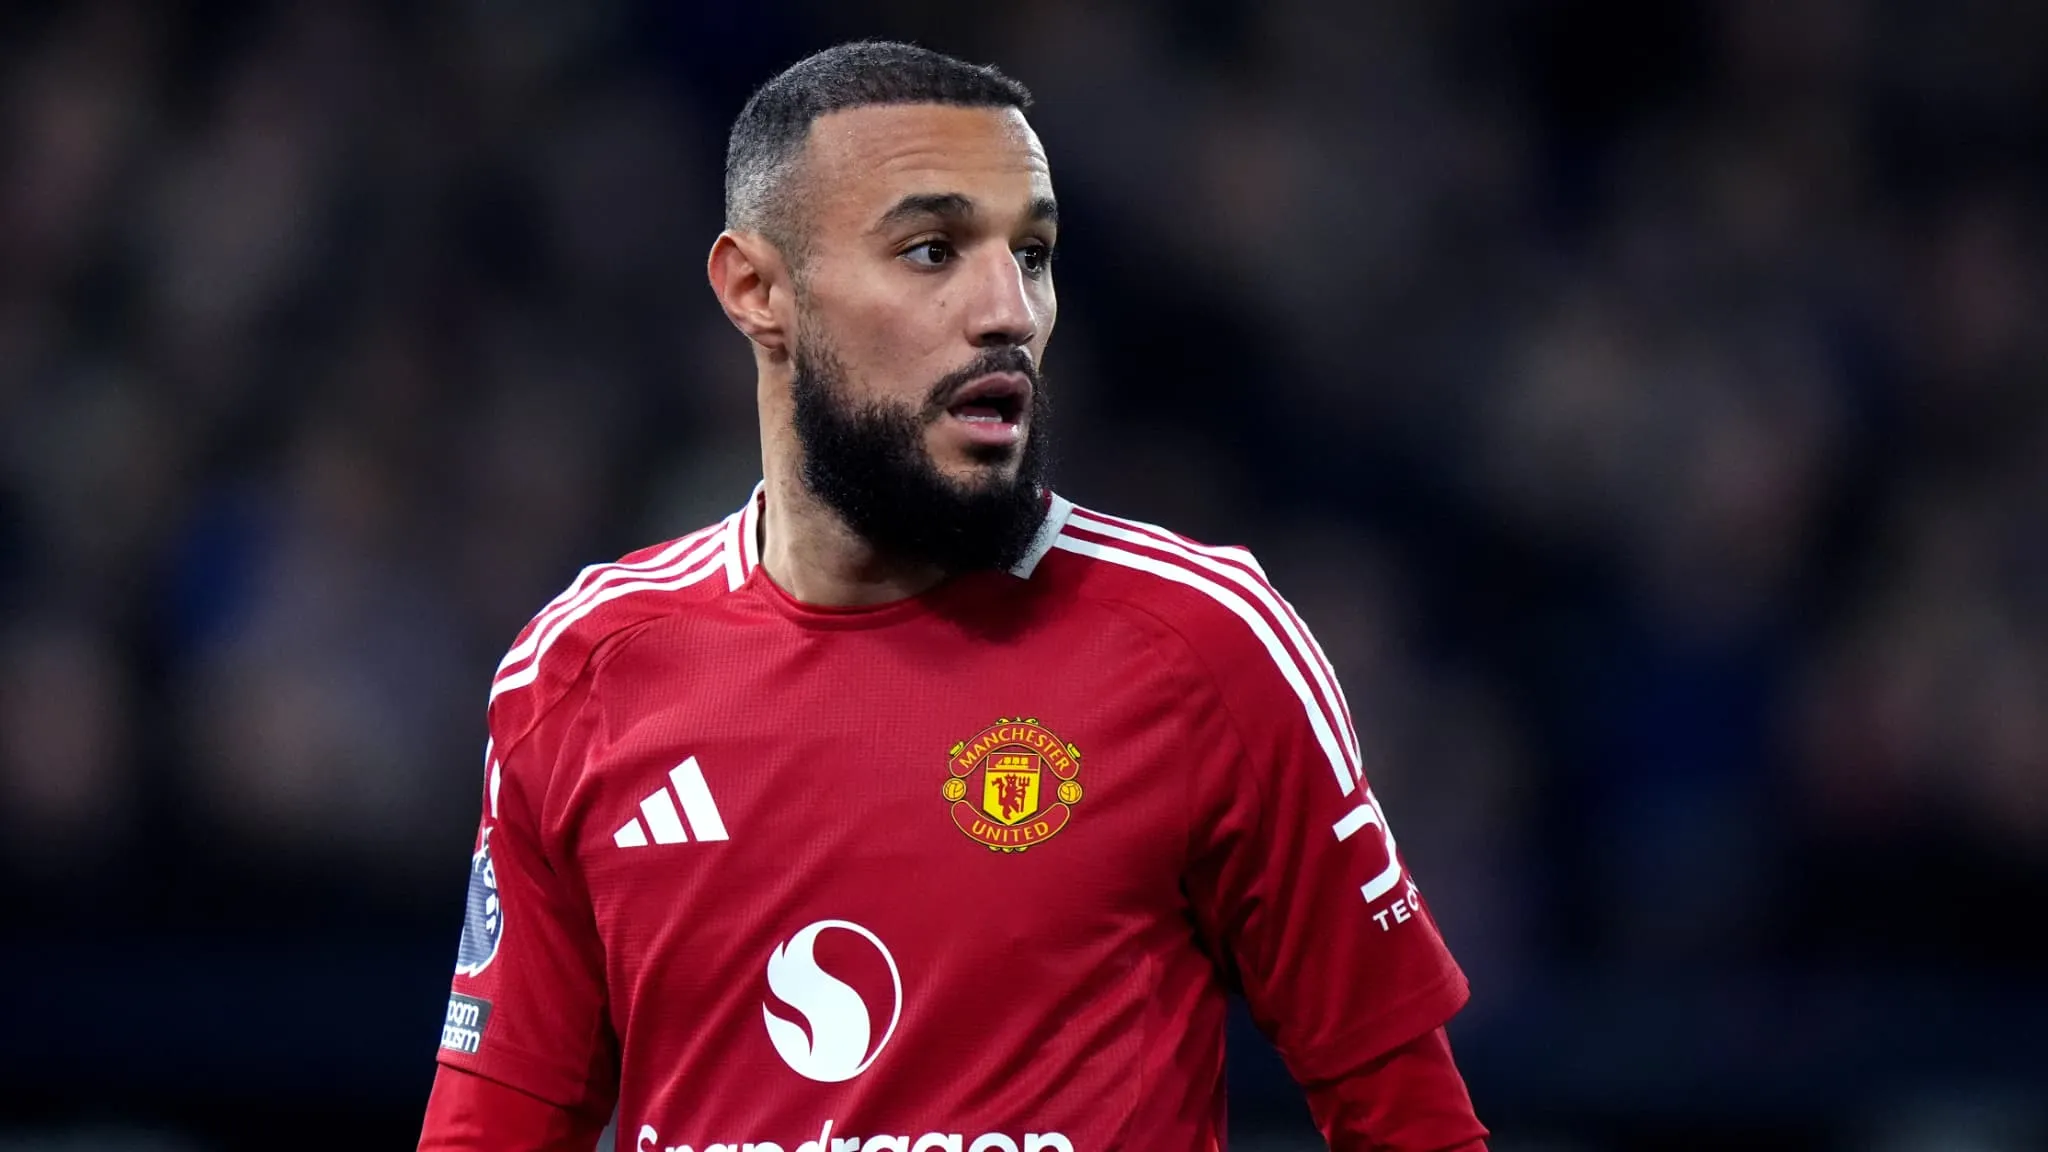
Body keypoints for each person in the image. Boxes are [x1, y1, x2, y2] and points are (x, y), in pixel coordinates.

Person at [417, 40, 1487, 1152]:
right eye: (931, 250)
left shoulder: (1206, 645)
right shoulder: (582, 674)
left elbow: (1410, 1127)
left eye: (1032, 254)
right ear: (757, 292)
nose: (1007, 310)